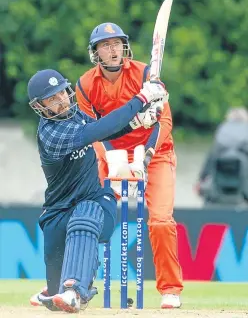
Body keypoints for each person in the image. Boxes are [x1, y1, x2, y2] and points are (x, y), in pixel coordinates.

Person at [28, 69, 167, 313]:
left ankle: (75, 290)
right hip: (58, 213)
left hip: (97, 201)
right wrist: (141, 99)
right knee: (56, 295)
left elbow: (107, 129)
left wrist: (138, 122)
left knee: (86, 212)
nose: (61, 100)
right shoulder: (50, 133)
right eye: (52, 98)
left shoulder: (74, 116)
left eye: (61, 92)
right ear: (40, 106)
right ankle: (58, 289)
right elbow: (97, 131)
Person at [75, 22, 183, 309]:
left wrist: (145, 156)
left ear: (124, 46)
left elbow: (165, 122)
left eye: (116, 43)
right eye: (105, 45)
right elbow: (90, 131)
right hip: (110, 153)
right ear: (95, 52)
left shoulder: (147, 74)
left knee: (160, 220)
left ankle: (170, 289)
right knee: (92, 217)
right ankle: (76, 285)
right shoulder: (86, 84)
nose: (113, 50)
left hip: (155, 153)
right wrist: (112, 156)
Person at [195, 107, 248, 208]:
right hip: (243, 194)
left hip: (216, 194)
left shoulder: (221, 135)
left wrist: (200, 181)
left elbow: (208, 165)